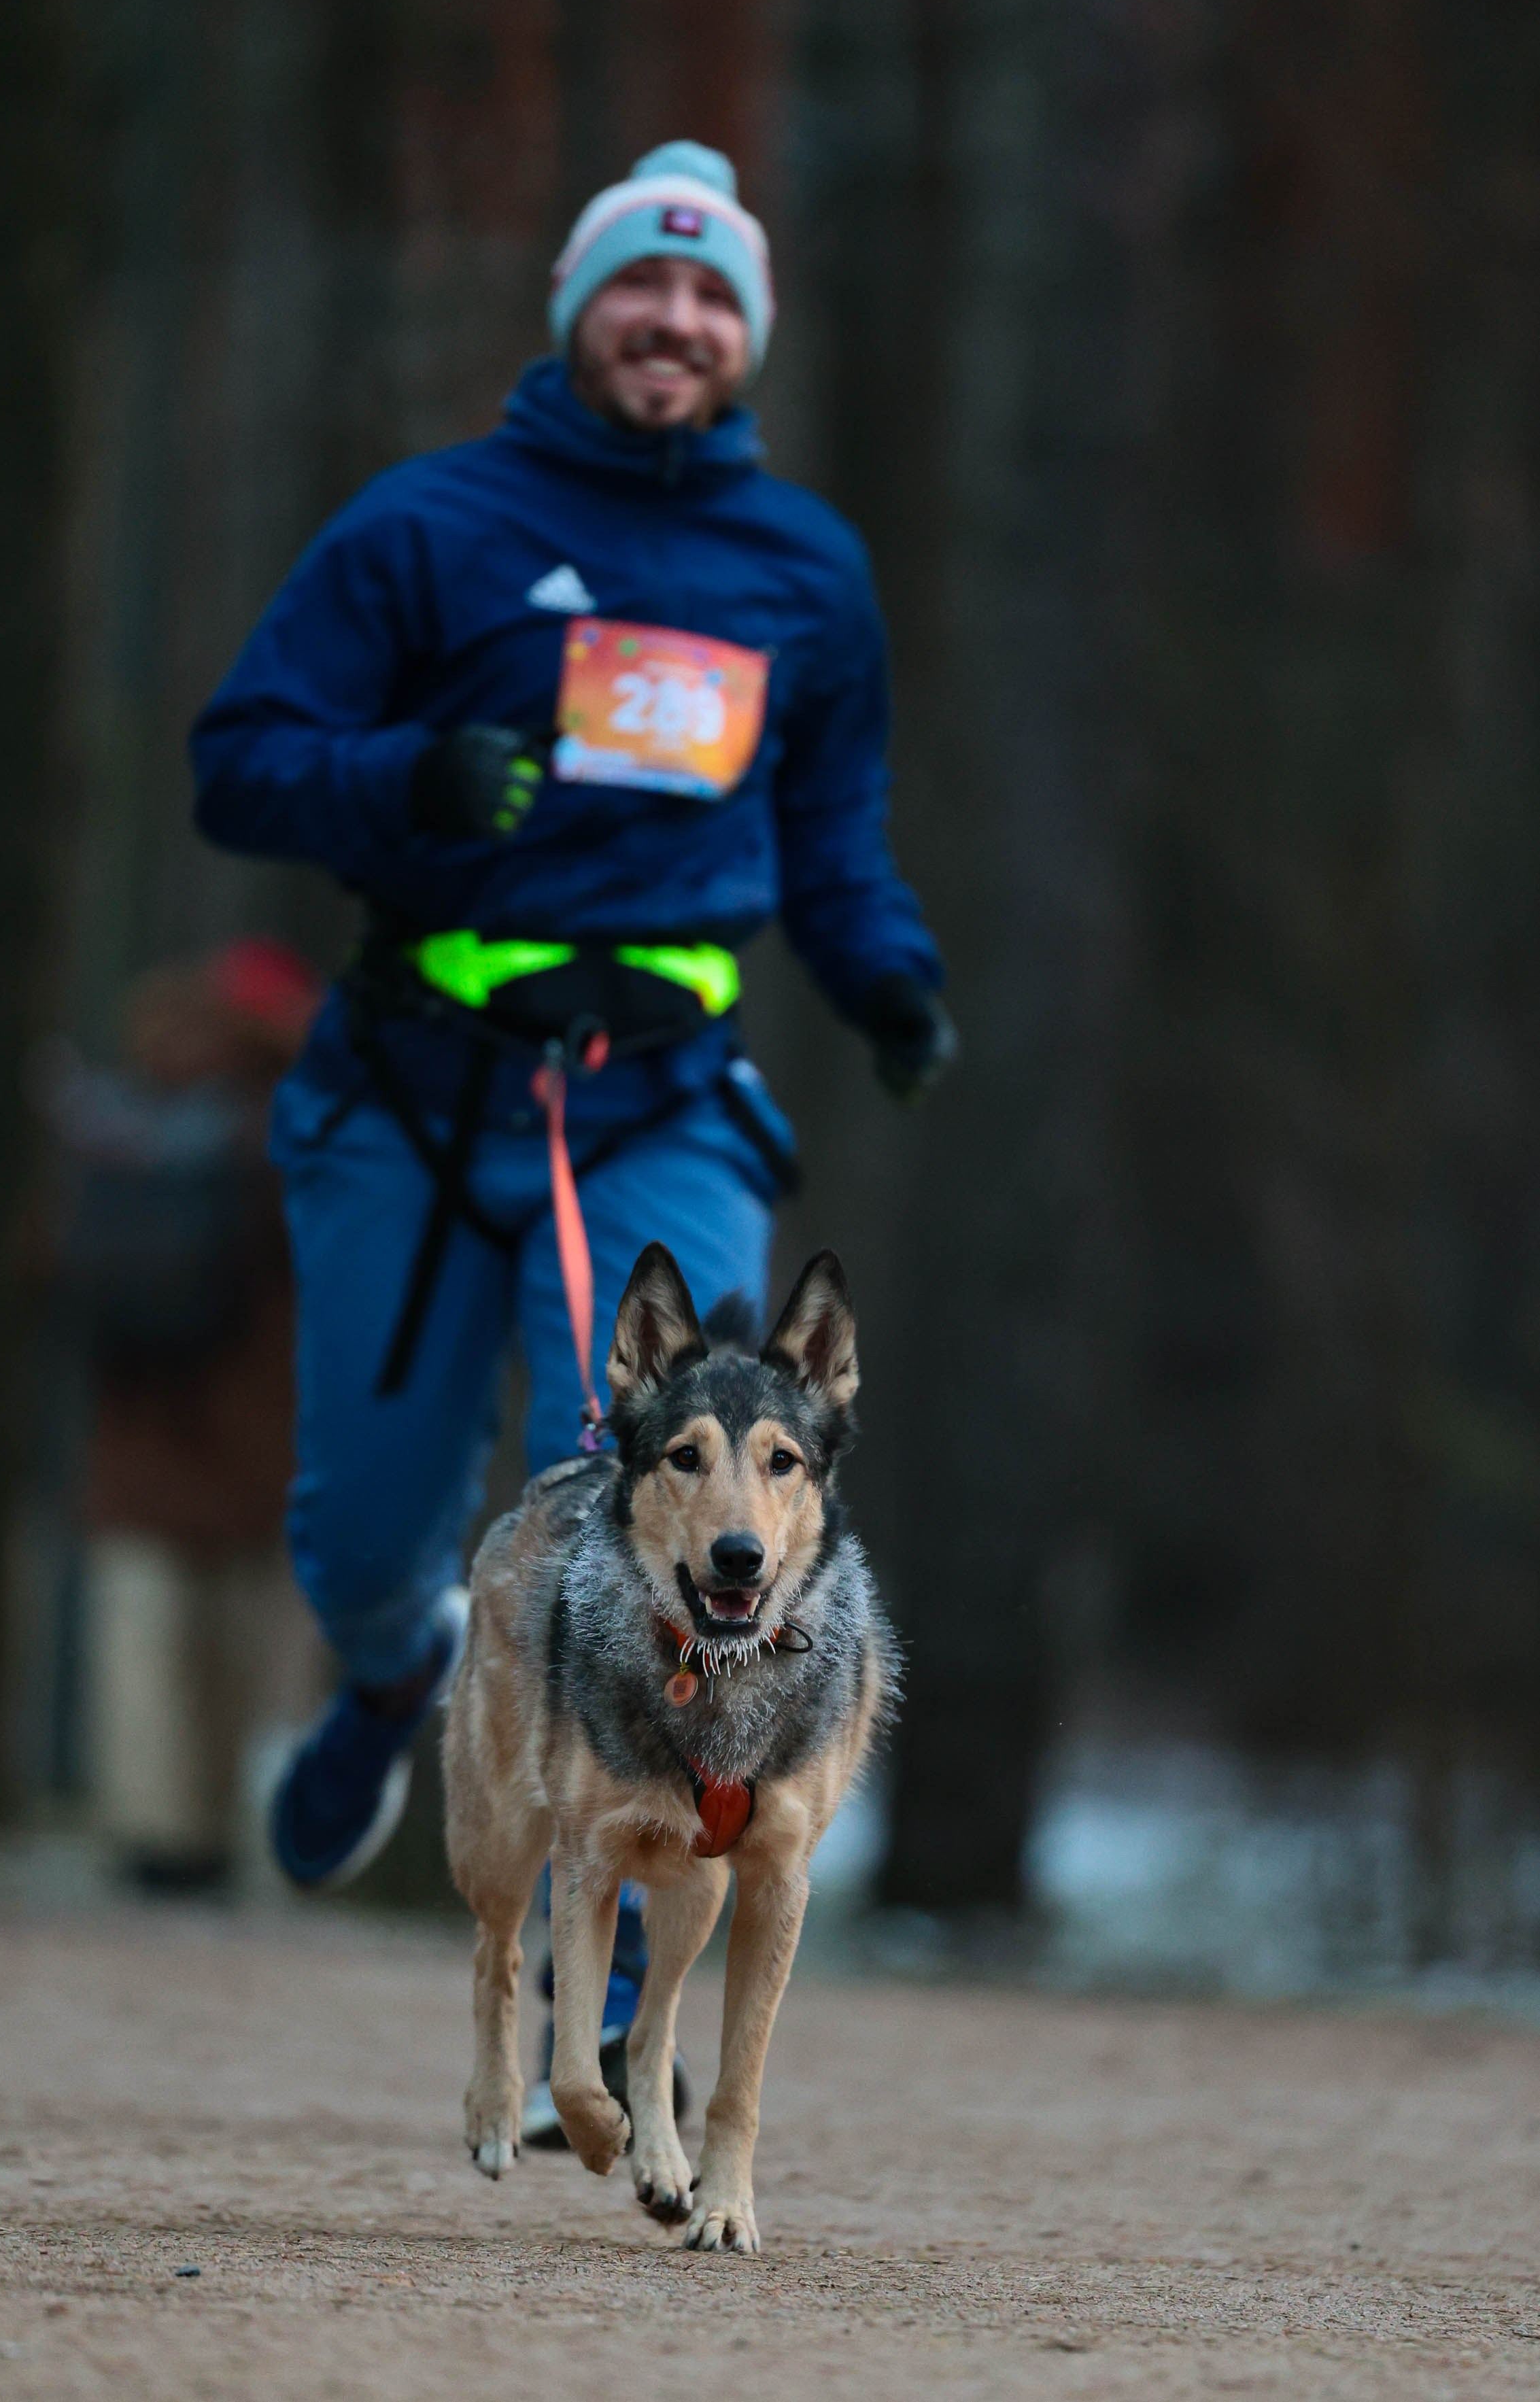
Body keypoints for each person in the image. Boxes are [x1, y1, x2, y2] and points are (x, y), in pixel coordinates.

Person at [190, 141, 953, 2118]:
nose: (676, 322)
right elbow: (240, 767)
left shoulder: (808, 570)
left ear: (747, 337)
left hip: (666, 1103)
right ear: (579, 307)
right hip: (417, 1091)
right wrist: (400, 780)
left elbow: (830, 836)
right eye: (644, 286)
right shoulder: (430, 528)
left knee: (640, 1497)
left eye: (714, 298)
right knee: (366, 1526)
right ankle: (387, 1668)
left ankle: (604, 1999)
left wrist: (884, 973)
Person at [49, 940, 326, 1891]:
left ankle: (153, 1833)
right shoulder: (300, 1132)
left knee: (143, 1640)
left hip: (135, 1430)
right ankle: (228, 1836)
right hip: (261, 1434)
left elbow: (49, 1261)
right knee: (251, 1650)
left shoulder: (120, 1113)